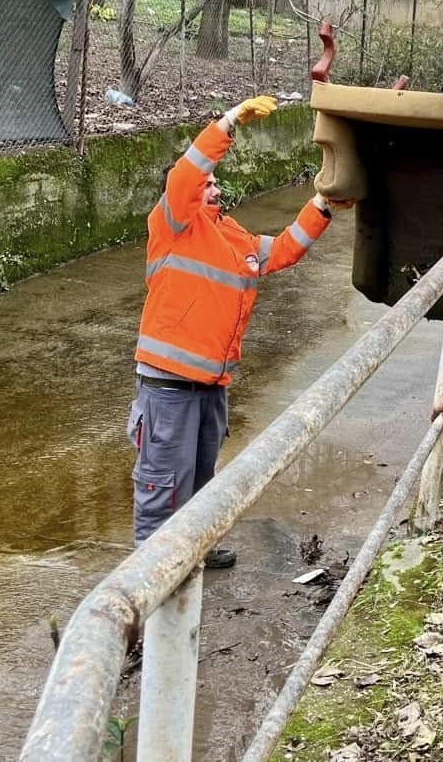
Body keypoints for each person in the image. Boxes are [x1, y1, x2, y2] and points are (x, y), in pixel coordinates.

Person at [127, 95, 341, 567]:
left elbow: (284, 250)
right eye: (206, 184)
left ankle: (195, 549)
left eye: (213, 183)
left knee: (202, 480)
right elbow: (184, 175)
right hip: (167, 389)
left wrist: (322, 204)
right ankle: (148, 584)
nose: (212, 187)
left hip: (209, 387)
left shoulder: (233, 237)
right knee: (161, 487)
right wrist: (226, 123)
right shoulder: (173, 224)